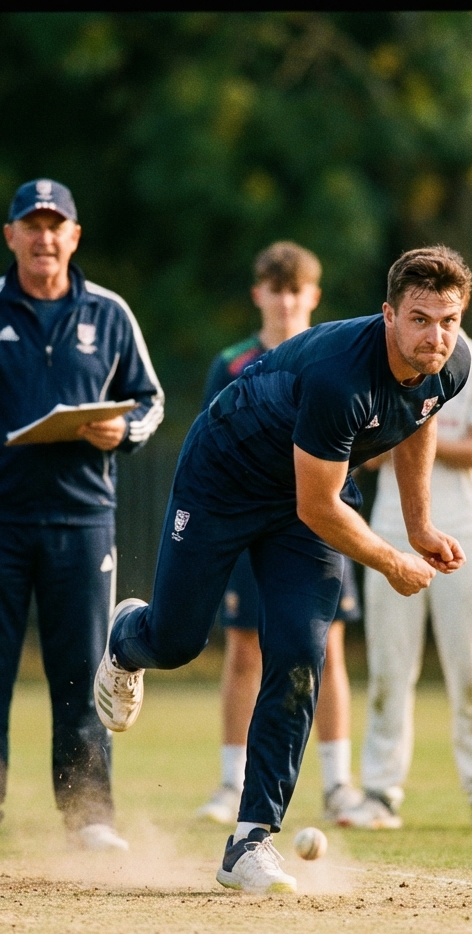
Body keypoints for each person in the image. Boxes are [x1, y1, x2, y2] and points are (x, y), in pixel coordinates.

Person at [94, 245, 472, 894]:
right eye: (419, 319)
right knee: (178, 642)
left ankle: (249, 840)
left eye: (449, 320)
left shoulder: (450, 363)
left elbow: (418, 421)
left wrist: (418, 525)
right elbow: (319, 506)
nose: (436, 336)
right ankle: (131, 636)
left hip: (304, 499)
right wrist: (391, 561)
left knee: (301, 652)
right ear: (388, 315)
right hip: (225, 479)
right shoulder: (339, 376)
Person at [0, 179, 163, 856]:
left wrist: (124, 431)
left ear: (74, 237)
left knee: (82, 670)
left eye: (57, 226)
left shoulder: (109, 312)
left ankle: (89, 815)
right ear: (10, 236)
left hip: (82, 520)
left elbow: (150, 399)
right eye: (32, 225)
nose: (45, 237)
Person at [194, 241, 364, 826]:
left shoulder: (339, 357)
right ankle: (230, 782)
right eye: (276, 289)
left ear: (313, 296)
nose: (287, 301)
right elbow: (212, 442)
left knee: (327, 647)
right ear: (258, 294)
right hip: (247, 524)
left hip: (318, 525)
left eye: (297, 290)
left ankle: (340, 783)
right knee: (244, 647)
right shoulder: (234, 363)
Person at [341, 332, 472, 831]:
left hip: (464, 533)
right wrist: (405, 434)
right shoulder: (382, 363)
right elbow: (366, 452)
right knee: (388, 669)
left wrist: (415, 432)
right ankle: (379, 793)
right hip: (391, 534)